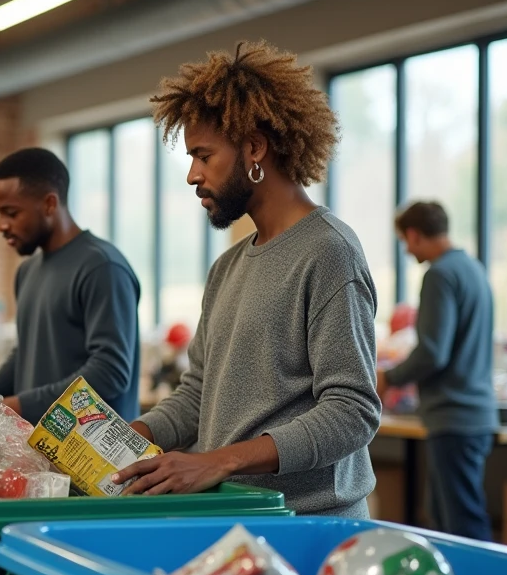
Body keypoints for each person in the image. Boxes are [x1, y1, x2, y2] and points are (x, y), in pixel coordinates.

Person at [114, 40, 381, 518]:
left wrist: (216, 461)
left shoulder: (329, 251)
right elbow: (199, 393)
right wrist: (129, 438)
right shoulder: (228, 267)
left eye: (203, 155)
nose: (193, 175)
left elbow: (352, 410)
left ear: (254, 147)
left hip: (308, 525)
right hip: (237, 516)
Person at [0, 148, 141, 424]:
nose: (1, 225)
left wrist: (18, 405)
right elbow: (26, 355)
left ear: (49, 204)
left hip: (97, 458)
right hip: (41, 450)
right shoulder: (27, 271)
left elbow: (110, 372)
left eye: (10, 213)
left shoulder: (101, 266)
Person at [378, 201, 497, 540]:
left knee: (461, 524)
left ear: (414, 234)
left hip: (454, 415)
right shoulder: (472, 269)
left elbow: (432, 352)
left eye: (404, 240)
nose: (406, 249)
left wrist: (388, 377)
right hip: (474, 414)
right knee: (445, 515)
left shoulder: (439, 274)